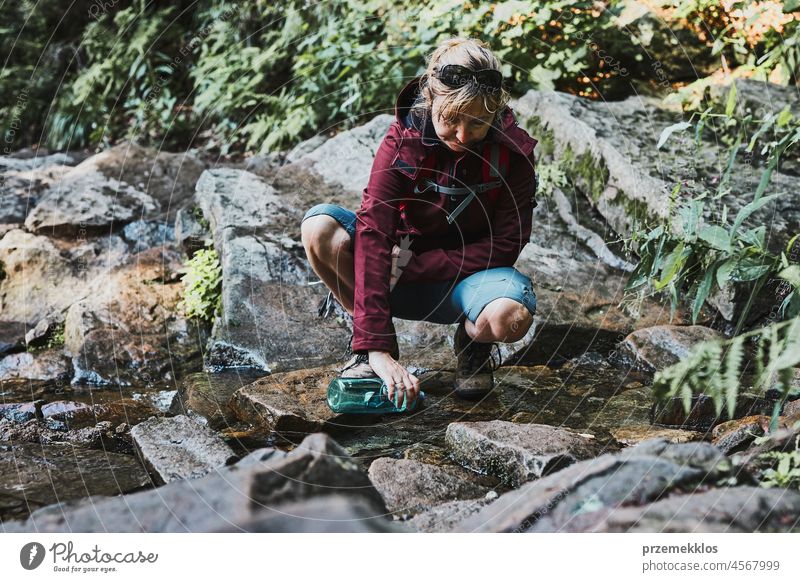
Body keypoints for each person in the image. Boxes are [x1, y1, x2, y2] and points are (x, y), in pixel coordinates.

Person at [301, 37, 538, 408]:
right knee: (319, 228)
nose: (462, 136)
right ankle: (373, 348)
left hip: (464, 281)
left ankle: (473, 347)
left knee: (510, 317)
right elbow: (373, 230)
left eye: (476, 123)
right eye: (450, 119)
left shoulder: (513, 153)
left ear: (496, 110)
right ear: (431, 98)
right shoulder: (402, 140)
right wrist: (375, 344)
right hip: (394, 271)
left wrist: (415, 267)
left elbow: (507, 244)